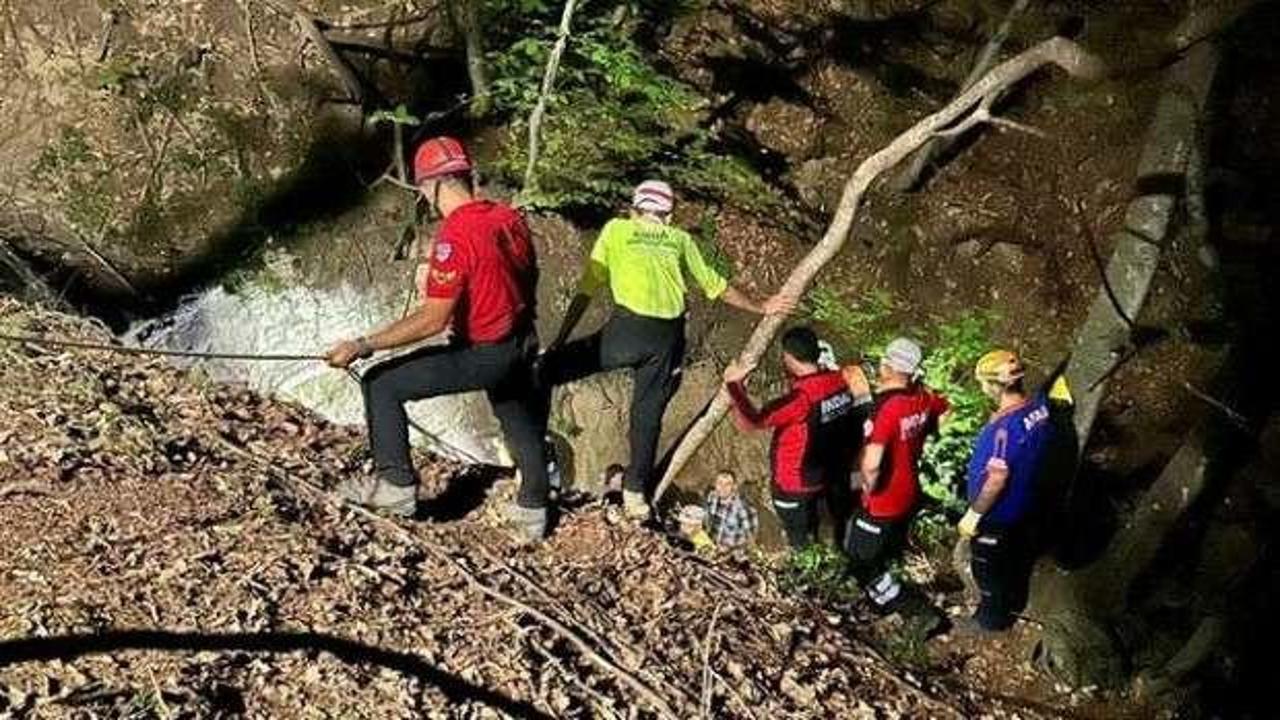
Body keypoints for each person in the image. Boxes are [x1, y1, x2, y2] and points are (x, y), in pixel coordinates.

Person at [324, 136, 551, 541]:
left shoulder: (455, 235)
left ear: (432, 186)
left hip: (484, 350)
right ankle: (533, 512)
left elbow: (431, 319)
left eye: (424, 188)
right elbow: (526, 275)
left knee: (383, 383)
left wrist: (363, 345)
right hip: (521, 342)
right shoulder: (508, 217)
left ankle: (395, 487)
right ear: (465, 175)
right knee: (516, 417)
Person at [539, 180, 795, 520]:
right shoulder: (680, 239)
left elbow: (587, 287)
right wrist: (763, 306)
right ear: (669, 217)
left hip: (625, 331)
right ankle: (635, 497)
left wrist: (559, 339)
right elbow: (717, 287)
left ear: (634, 211)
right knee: (646, 418)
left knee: (545, 372)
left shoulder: (617, 229)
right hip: (666, 337)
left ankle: (533, 456)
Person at [723, 327, 869, 550]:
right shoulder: (840, 383)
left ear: (789, 357)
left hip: (793, 485)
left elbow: (752, 421)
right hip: (825, 478)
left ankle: (803, 573)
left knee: (799, 539)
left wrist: (733, 385)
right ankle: (827, 558)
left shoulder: (801, 399)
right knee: (820, 529)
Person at [848, 338, 949, 615]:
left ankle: (914, 612)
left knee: (859, 558)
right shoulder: (922, 397)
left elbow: (871, 465)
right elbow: (944, 408)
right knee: (885, 548)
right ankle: (883, 593)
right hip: (909, 492)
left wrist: (862, 491)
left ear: (888, 366)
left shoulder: (887, 409)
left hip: (882, 499)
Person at [958, 350, 1052, 632]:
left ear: (994, 385)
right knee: (1014, 560)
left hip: (999, 514)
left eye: (984, 383)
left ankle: (992, 620)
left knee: (989, 568)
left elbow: (997, 479)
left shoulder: (1003, 430)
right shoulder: (1038, 408)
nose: (982, 388)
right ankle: (1008, 601)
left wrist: (974, 514)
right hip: (1027, 504)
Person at [703, 471, 759, 548]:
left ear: (734, 486)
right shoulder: (712, 497)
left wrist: (730, 550)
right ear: (715, 484)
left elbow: (751, 540)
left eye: (727, 484)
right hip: (711, 548)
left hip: (732, 554)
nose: (723, 487)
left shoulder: (744, 509)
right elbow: (706, 521)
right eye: (720, 483)